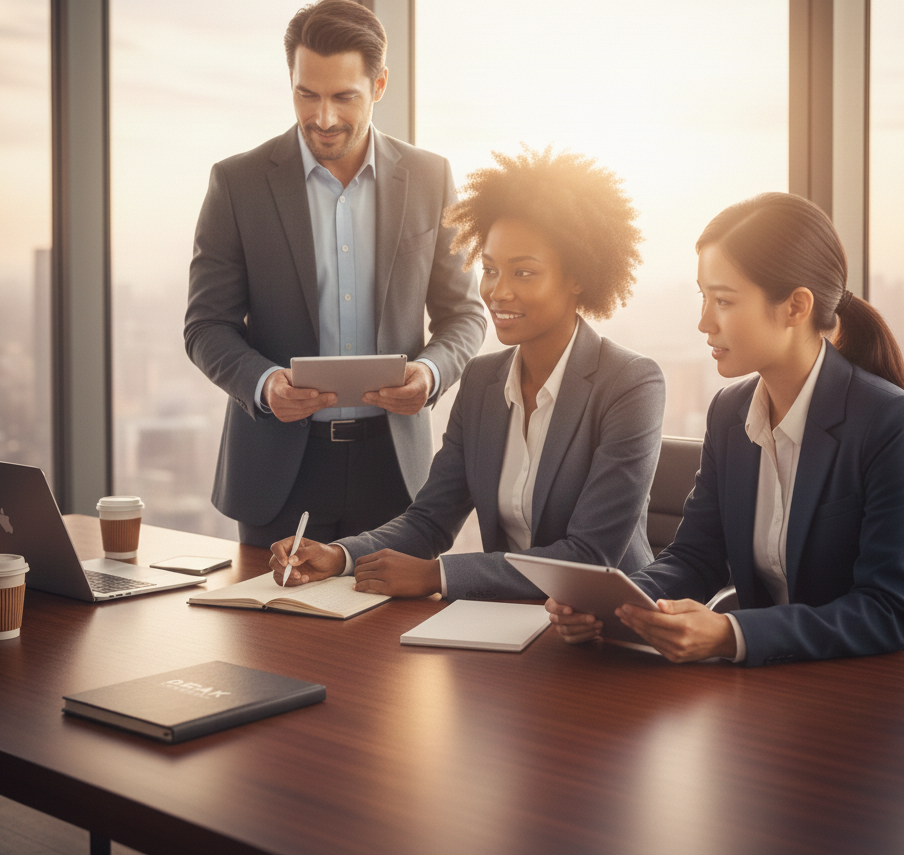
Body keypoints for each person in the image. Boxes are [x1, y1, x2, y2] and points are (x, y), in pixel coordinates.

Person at [547, 192, 904, 665]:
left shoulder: (891, 423)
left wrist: (730, 633)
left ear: (796, 307)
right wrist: (610, 604)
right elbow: (696, 557)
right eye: (703, 297)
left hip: (893, 682)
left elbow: (886, 610)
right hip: (780, 685)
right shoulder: (729, 412)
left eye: (723, 300)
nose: (704, 322)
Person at [269, 147, 665, 600]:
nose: (498, 291)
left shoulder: (630, 383)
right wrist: (340, 556)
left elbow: (591, 556)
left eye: (524, 272)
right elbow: (431, 519)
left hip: (606, 629)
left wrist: (438, 576)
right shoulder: (482, 382)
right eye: (491, 269)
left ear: (578, 276)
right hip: (501, 623)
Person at [185, 0, 487, 546]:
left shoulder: (430, 178)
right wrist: (264, 384)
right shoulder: (238, 183)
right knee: (272, 631)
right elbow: (205, 325)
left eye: (343, 96)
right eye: (308, 94)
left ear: (379, 85)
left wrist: (431, 374)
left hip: (394, 472)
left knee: (390, 632)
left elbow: (463, 312)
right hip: (276, 473)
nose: (323, 118)